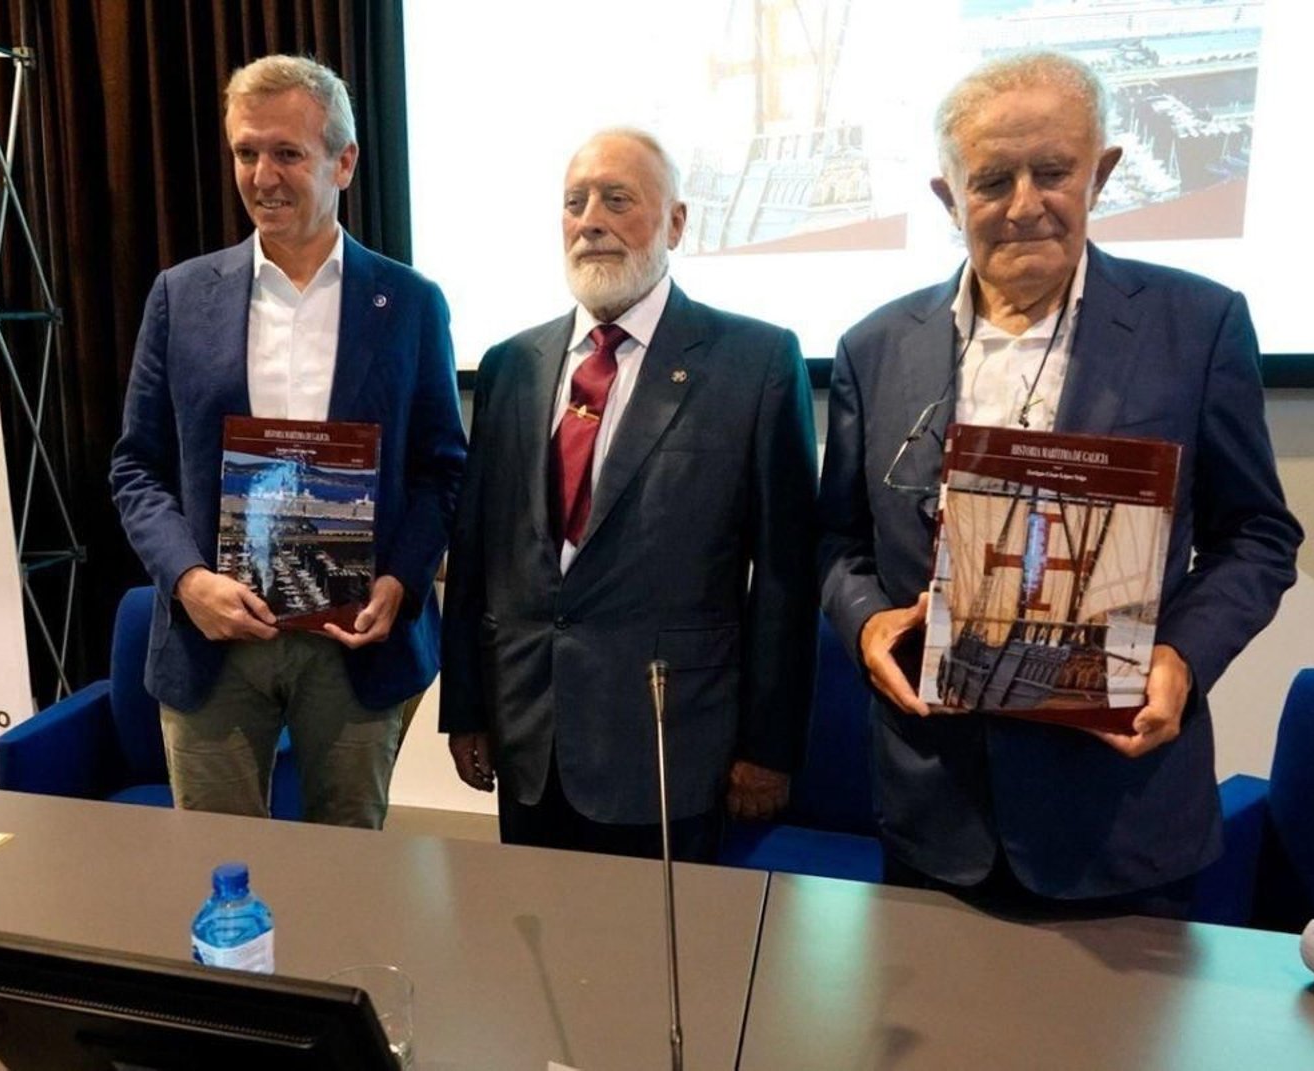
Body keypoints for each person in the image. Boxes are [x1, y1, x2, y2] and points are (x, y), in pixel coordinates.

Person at [818, 51, 1302, 915]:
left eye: (1053, 172)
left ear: (1103, 172)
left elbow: (1258, 536)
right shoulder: (874, 346)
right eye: (991, 179)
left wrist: (1181, 657)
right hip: (934, 810)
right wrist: (864, 624)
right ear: (947, 196)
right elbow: (838, 544)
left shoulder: (1198, 326)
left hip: (1119, 813)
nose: (1024, 205)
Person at [440, 129, 818, 862]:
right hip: (530, 740)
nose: (591, 220)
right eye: (574, 203)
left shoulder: (757, 362)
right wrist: (468, 708)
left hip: (671, 745)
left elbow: (783, 579)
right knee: (542, 957)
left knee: (666, 968)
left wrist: (768, 747)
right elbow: (480, 548)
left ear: (675, 222)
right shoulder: (512, 363)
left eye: (618, 200)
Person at [110, 55, 465, 829]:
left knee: (347, 878)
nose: (263, 175)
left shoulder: (407, 302)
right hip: (214, 642)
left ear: (344, 161)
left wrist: (402, 581)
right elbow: (136, 465)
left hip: (353, 646)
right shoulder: (180, 295)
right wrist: (187, 579)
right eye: (246, 152)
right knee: (218, 872)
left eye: (287, 153)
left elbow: (445, 469)